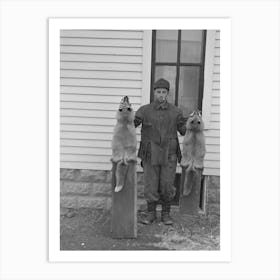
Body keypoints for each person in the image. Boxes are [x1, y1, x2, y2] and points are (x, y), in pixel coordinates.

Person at [134, 78, 186, 225]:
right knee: (151, 184)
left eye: (164, 92)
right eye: (158, 92)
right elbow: (132, 123)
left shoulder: (176, 111)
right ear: (154, 93)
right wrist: (125, 113)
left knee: (167, 184)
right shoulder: (144, 110)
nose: (161, 95)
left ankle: (166, 214)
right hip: (150, 153)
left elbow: (183, 131)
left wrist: (192, 122)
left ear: (168, 93)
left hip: (170, 154)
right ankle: (151, 214)